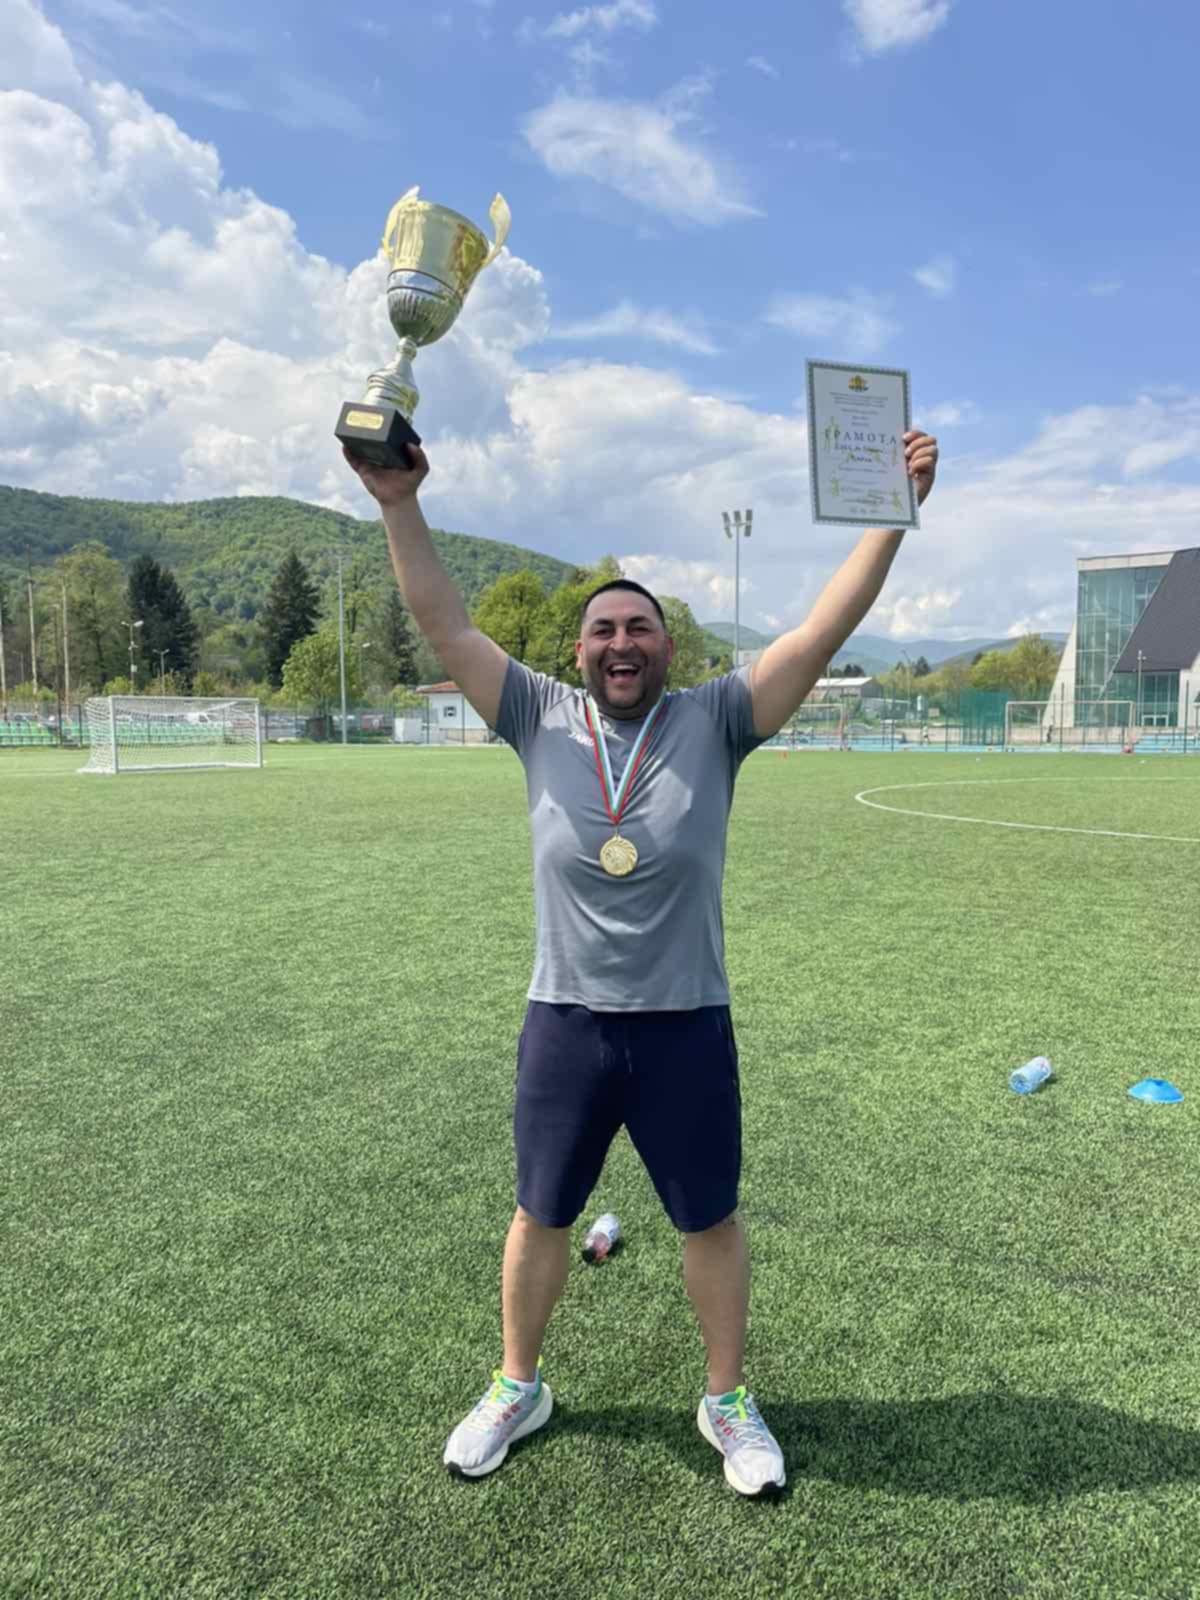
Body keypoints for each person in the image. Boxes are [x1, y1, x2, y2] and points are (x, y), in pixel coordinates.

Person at [344, 429, 939, 1497]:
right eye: (604, 629)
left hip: (685, 1023)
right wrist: (399, 505)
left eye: (640, 627)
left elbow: (821, 629)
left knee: (708, 1219)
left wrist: (893, 514)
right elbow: (446, 623)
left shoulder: (719, 718)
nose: (621, 642)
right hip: (565, 1022)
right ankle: (519, 1386)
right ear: (578, 651)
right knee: (541, 1214)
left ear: (669, 646)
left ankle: (726, 1401)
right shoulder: (535, 713)